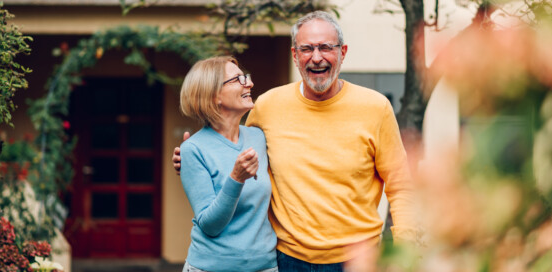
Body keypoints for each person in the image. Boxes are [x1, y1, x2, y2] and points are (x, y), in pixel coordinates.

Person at [174, 11, 415, 271]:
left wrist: (409, 251)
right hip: (285, 260)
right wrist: (189, 159)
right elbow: (229, 147)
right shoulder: (267, 106)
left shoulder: (375, 108)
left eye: (326, 47)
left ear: (343, 52)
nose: (317, 56)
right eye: (307, 49)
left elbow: (400, 186)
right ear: (295, 55)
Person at [178, 56, 278, 272]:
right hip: (210, 267)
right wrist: (236, 178)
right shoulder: (193, 150)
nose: (249, 83)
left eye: (246, 78)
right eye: (237, 80)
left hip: (265, 266)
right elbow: (210, 225)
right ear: (214, 96)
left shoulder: (259, 137)